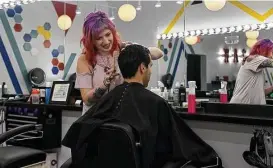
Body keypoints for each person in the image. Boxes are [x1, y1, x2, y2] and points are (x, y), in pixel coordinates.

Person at [62, 44, 221, 168]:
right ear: (142, 68)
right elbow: (184, 144)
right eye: (150, 66)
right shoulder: (155, 103)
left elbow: (78, 133)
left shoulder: (108, 100)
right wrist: (212, 158)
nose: (150, 71)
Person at [75, 11, 163, 114]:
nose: (106, 41)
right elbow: (86, 99)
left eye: (108, 35)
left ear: (112, 32)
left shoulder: (122, 49)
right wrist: (103, 85)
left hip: (119, 115)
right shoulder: (85, 60)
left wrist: (137, 51)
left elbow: (159, 53)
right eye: (99, 38)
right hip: (94, 118)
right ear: (91, 40)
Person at [230, 39, 273, 104]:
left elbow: (260, 93)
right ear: (265, 50)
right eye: (271, 52)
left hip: (250, 108)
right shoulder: (254, 59)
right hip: (242, 107)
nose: (271, 55)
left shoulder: (259, 68)